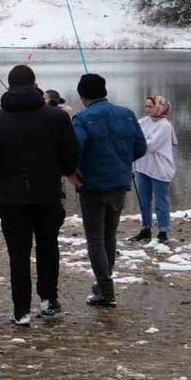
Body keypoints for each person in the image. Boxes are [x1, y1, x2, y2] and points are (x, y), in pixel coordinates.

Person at [0, 65, 80, 326]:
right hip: (48, 194)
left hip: (11, 198)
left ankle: (21, 309)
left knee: (18, 253)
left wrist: (2, 178)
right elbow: (70, 156)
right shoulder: (57, 118)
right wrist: (60, 171)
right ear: (35, 84)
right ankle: (48, 300)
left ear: (10, 86)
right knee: (48, 247)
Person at [71, 73, 147, 307]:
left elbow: (75, 149)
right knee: (109, 236)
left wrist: (73, 171)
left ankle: (105, 289)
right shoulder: (127, 114)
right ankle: (104, 284)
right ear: (104, 92)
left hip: (92, 186)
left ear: (82, 96)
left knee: (95, 239)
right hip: (119, 183)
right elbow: (141, 147)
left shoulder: (82, 119)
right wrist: (121, 162)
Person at [131, 95, 177, 244]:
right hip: (143, 166)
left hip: (160, 168)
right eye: (146, 106)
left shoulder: (165, 125)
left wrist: (138, 141)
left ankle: (163, 231)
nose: (147, 109)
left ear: (159, 107)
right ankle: (145, 228)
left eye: (150, 106)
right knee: (144, 200)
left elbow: (151, 145)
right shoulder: (143, 122)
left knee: (161, 201)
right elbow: (133, 134)